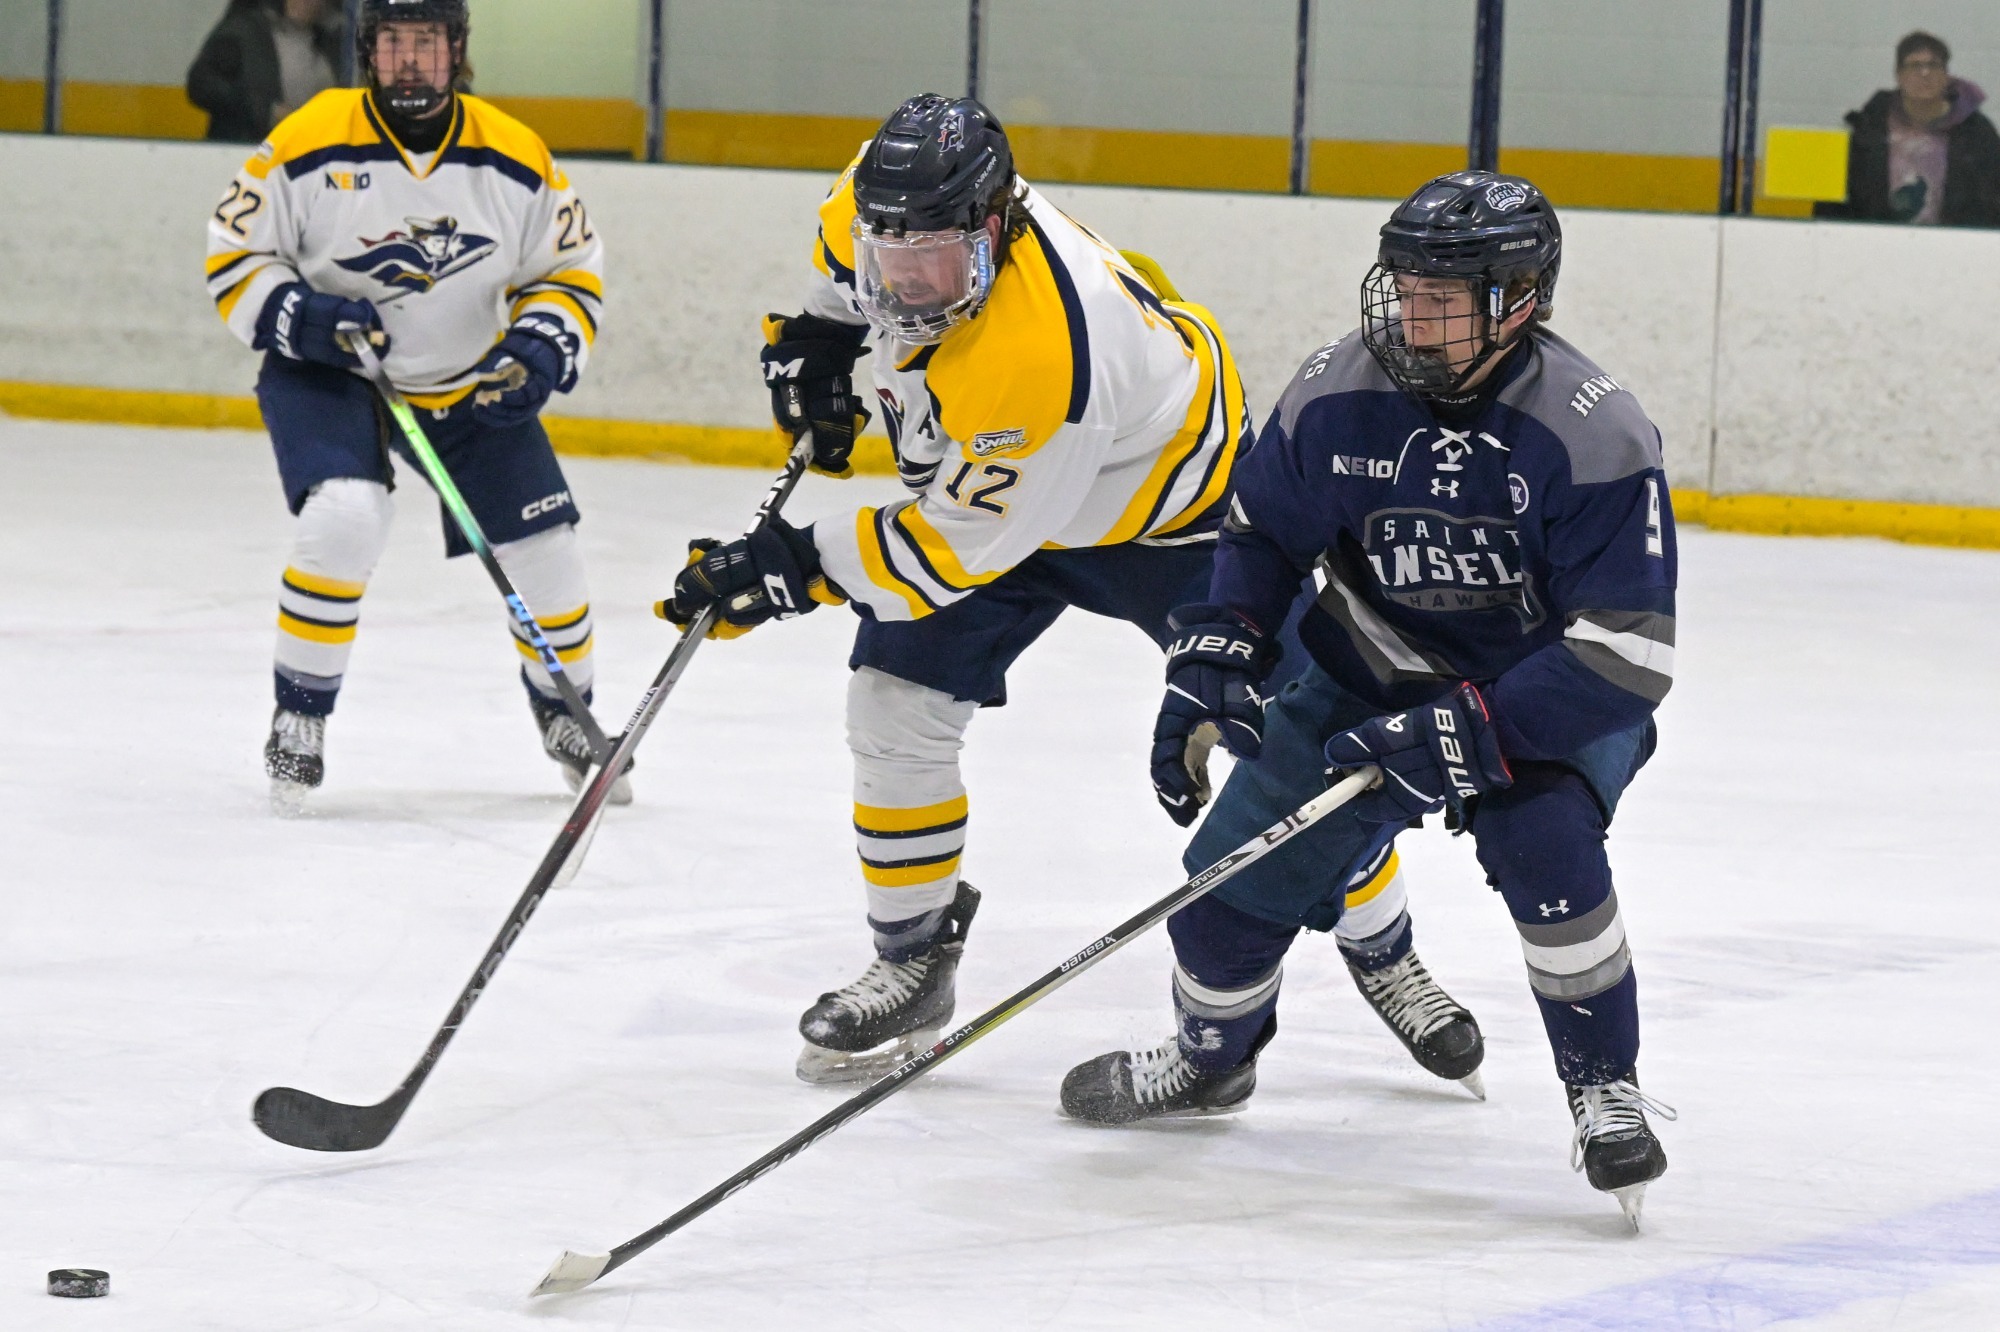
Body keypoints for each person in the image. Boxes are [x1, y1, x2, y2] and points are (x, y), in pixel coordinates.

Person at [661, 94, 1485, 1095]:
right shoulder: (870, 210)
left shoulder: (1046, 346)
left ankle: (1382, 948)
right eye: (892, 262)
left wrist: (788, 564)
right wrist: (818, 340)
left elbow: (946, 551)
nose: (910, 290)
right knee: (892, 704)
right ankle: (912, 953)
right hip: (996, 501)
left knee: (1285, 745)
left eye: (936, 264)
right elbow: (840, 291)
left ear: (996, 226)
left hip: (1167, 517)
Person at [1061, 172, 1679, 1228]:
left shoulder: (1591, 432)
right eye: (1400, 285)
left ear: (1518, 297)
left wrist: (1470, 730)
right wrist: (1219, 643)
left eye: (1442, 296)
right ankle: (1212, 1062)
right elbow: (1260, 534)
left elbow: (1624, 656)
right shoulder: (1332, 391)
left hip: (1541, 697)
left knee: (1548, 853)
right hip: (1365, 673)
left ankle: (1600, 1087)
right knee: (1218, 906)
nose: (1407, 313)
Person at [203, 0, 621, 811]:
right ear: (368, 49)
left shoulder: (511, 152)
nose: (410, 62)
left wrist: (539, 344)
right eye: (394, 43)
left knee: (547, 545)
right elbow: (235, 254)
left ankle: (566, 712)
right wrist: (305, 318)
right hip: (333, 372)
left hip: (468, 380)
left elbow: (569, 271)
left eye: (427, 44)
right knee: (347, 516)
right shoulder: (310, 136)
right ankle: (300, 713)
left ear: (456, 50)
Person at [1814, 30, 2000, 228]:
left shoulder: (1977, 133)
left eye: (1933, 65)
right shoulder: (1867, 130)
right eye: (1914, 66)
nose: (1924, 73)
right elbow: (1839, 202)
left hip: (1954, 246)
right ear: (1899, 76)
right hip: (1876, 243)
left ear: (1946, 76)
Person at [188, 0, 346, 145]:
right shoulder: (244, 31)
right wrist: (267, 111)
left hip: (309, 154)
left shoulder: (337, 43)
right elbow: (201, 85)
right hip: (244, 150)